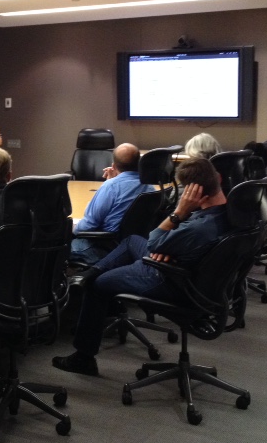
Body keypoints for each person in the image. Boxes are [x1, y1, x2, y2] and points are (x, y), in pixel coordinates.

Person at [52, 158, 230, 377]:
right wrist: (170, 246)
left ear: (194, 192)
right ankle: (91, 272)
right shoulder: (226, 212)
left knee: (97, 285)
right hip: (189, 273)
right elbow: (159, 243)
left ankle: (83, 358)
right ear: (218, 178)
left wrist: (179, 213)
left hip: (169, 278)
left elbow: (154, 241)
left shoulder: (198, 228)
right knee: (132, 241)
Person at [70, 143, 155, 268]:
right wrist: (110, 182)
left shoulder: (111, 187)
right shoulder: (149, 186)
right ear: (138, 163)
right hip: (133, 248)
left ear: (114, 166)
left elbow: (88, 225)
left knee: (60, 245)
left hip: (103, 247)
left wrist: (72, 230)